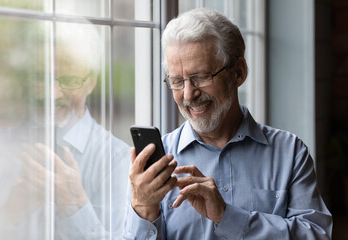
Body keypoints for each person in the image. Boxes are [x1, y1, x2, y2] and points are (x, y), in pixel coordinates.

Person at [123, 8, 333, 239]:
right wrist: (143, 208)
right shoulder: (157, 167)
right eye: (177, 81)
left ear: (239, 72)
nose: (188, 94)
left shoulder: (290, 153)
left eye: (201, 77)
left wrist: (228, 217)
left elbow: (317, 235)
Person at [0, 22, 131, 239]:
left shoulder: (117, 160)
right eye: (42, 78)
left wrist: (72, 205)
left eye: (69, 80)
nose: (53, 94)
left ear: (91, 83)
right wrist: (9, 214)